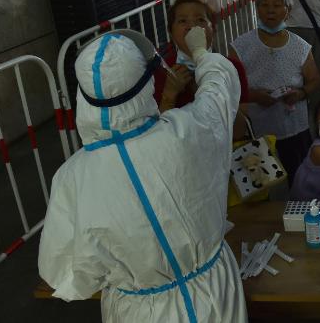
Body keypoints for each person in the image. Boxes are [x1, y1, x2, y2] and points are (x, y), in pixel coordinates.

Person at [38, 27, 247, 322]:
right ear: (148, 83)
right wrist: (201, 53)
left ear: (82, 99)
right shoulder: (189, 130)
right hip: (215, 294)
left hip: (137, 311)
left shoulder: (71, 178)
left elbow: (64, 273)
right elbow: (219, 88)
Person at [230, 0, 320, 182]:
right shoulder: (240, 46)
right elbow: (231, 86)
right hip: (255, 128)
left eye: (277, 5)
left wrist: (300, 93)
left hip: (294, 126)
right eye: (265, 5)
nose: (270, 10)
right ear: (257, 9)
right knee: (258, 183)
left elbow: (314, 79)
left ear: (287, 11)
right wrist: (254, 96)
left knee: (299, 178)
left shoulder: (300, 46)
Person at [154, 0, 249, 134]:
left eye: (200, 20)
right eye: (182, 21)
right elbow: (158, 133)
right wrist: (169, 93)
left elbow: (240, 130)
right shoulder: (161, 71)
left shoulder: (231, 67)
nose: (192, 26)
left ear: (213, 29)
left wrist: (213, 82)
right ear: (171, 33)